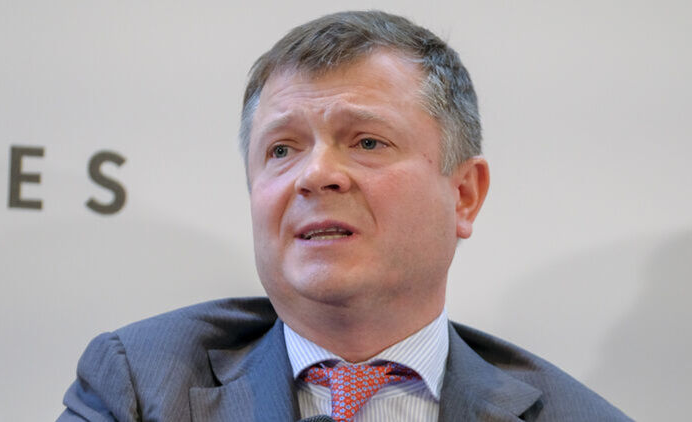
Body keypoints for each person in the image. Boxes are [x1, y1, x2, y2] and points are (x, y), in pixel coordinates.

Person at [58, 10, 631, 421]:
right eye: (282, 149)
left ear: (464, 194)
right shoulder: (141, 385)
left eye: (367, 142)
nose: (315, 175)